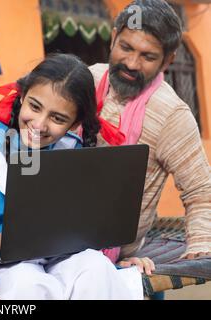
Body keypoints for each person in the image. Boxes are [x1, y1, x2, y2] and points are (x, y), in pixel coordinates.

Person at [0, 53, 154, 300]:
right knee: (26, 286)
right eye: (34, 107)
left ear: (74, 123)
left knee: (96, 269)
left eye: (58, 118)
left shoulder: (74, 150)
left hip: (64, 257)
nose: (39, 124)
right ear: (22, 96)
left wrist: (122, 259)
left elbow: (91, 230)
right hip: (5, 262)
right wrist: (14, 241)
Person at [88, 0, 210, 260]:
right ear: (113, 39)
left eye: (148, 56)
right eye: (126, 47)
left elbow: (201, 193)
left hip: (117, 252)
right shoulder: (86, 81)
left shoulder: (172, 116)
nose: (131, 64)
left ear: (168, 60)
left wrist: (200, 247)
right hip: (55, 235)